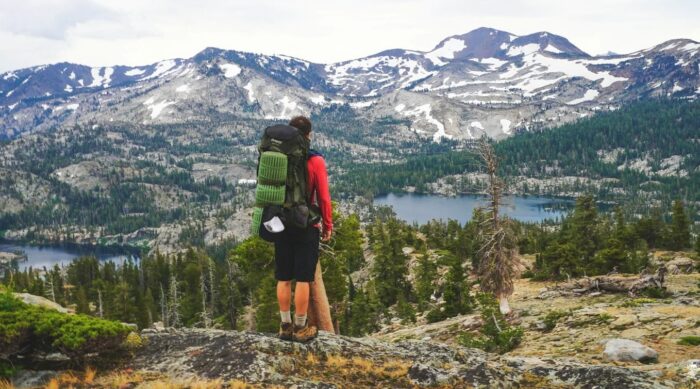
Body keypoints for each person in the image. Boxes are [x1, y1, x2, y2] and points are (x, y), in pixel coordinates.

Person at [275, 115, 332, 342]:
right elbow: (324, 198)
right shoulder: (315, 160)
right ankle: (300, 328)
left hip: (280, 222)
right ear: (309, 134)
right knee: (303, 278)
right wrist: (327, 224)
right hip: (305, 224)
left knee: (284, 277)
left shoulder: (278, 157)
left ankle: (284, 326)